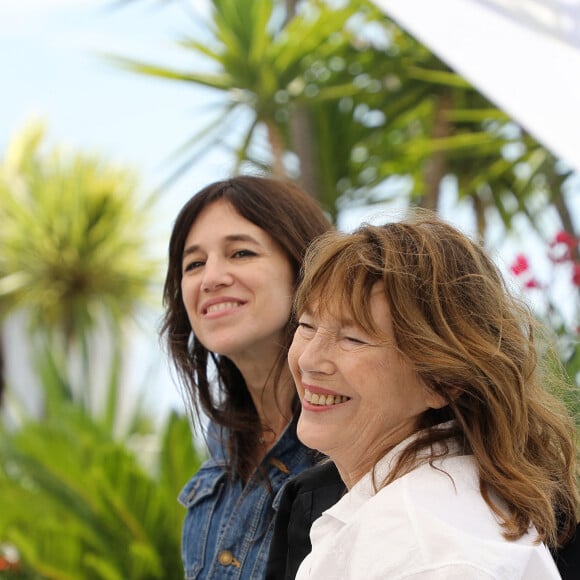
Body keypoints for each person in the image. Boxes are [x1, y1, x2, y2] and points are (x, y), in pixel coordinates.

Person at [284, 211, 579, 579]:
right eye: (307, 325)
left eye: (352, 338)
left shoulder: (422, 549)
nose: (310, 359)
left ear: (442, 380)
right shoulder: (426, 516)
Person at [160, 175, 332, 579]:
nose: (212, 278)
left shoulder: (352, 455)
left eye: (240, 253)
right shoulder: (219, 462)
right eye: (194, 263)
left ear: (303, 268)